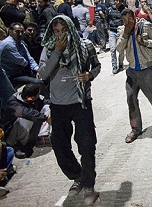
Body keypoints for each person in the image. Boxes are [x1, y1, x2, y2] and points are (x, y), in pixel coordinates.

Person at [38, 15, 101, 205]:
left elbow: (97, 66)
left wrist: (90, 75)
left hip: (80, 102)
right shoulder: (48, 49)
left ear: (71, 29)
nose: (60, 35)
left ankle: (89, 185)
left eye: (63, 30)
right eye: (56, 31)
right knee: (60, 145)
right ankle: (78, 176)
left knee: (87, 145)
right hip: (58, 104)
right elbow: (43, 74)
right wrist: (56, 52)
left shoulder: (85, 46)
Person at [116, 9, 152, 144]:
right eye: (125, 21)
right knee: (130, 98)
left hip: (146, 69)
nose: (128, 23)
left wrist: (145, 42)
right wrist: (126, 34)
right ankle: (135, 129)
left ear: (135, 17)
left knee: (151, 95)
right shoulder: (122, 31)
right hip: (131, 71)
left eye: (130, 20)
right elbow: (119, 49)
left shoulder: (146, 26)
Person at [0, 23, 49, 98]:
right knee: (38, 82)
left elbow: (29, 58)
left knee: (46, 76)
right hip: (10, 75)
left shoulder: (20, 43)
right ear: (10, 32)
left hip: (20, 72)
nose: (20, 34)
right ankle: (48, 101)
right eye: (17, 32)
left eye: (22, 32)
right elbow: (22, 62)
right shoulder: (8, 44)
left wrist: (38, 70)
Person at [2, 83, 51, 159]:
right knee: (26, 119)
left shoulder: (33, 98)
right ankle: (18, 146)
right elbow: (27, 113)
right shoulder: (14, 102)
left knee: (48, 107)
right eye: (38, 94)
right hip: (11, 135)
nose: (39, 95)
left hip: (28, 131)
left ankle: (42, 137)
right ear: (30, 98)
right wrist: (45, 118)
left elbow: (45, 102)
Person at [106, 0, 125, 74]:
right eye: (116, 1)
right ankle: (114, 66)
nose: (117, 2)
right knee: (112, 49)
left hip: (121, 31)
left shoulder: (124, 10)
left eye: (119, 1)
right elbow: (106, 19)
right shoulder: (110, 10)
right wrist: (107, 29)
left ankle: (120, 64)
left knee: (121, 49)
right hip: (112, 31)